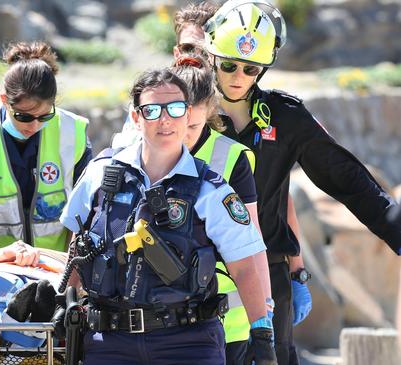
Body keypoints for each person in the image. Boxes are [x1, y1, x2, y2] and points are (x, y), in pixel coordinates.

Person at [204, 1, 401, 364]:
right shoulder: (187, 115)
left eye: (251, 68)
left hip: (269, 277)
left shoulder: (286, 116)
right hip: (200, 278)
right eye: (228, 64)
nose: (238, 76)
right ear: (211, 55)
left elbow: (345, 178)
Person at [61, 67, 276, 365]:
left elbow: (245, 267)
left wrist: (262, 334)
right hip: (109, 342)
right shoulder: (100, 174)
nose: (165, 120)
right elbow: (78, 249)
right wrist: (64, 306)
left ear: (188, 115)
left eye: (175, 109)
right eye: (152, 110)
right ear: (136, 118)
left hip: (188, 342)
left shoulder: (210, 189)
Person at [110, 4, 271, 363]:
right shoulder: (133, 138)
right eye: (186, 50)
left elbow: (251, 246)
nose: (178, 131)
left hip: (221, 319)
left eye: (201, 52)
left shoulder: (231, 154)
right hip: (143, 321)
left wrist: (264, 322)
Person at [0, 41, 92, 258]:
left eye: (45, 116)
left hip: (58, 265)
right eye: (24, 116)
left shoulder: (73, 131)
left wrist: (67, 268)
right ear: (5, 100)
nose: (33, 126)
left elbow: (82, 217)